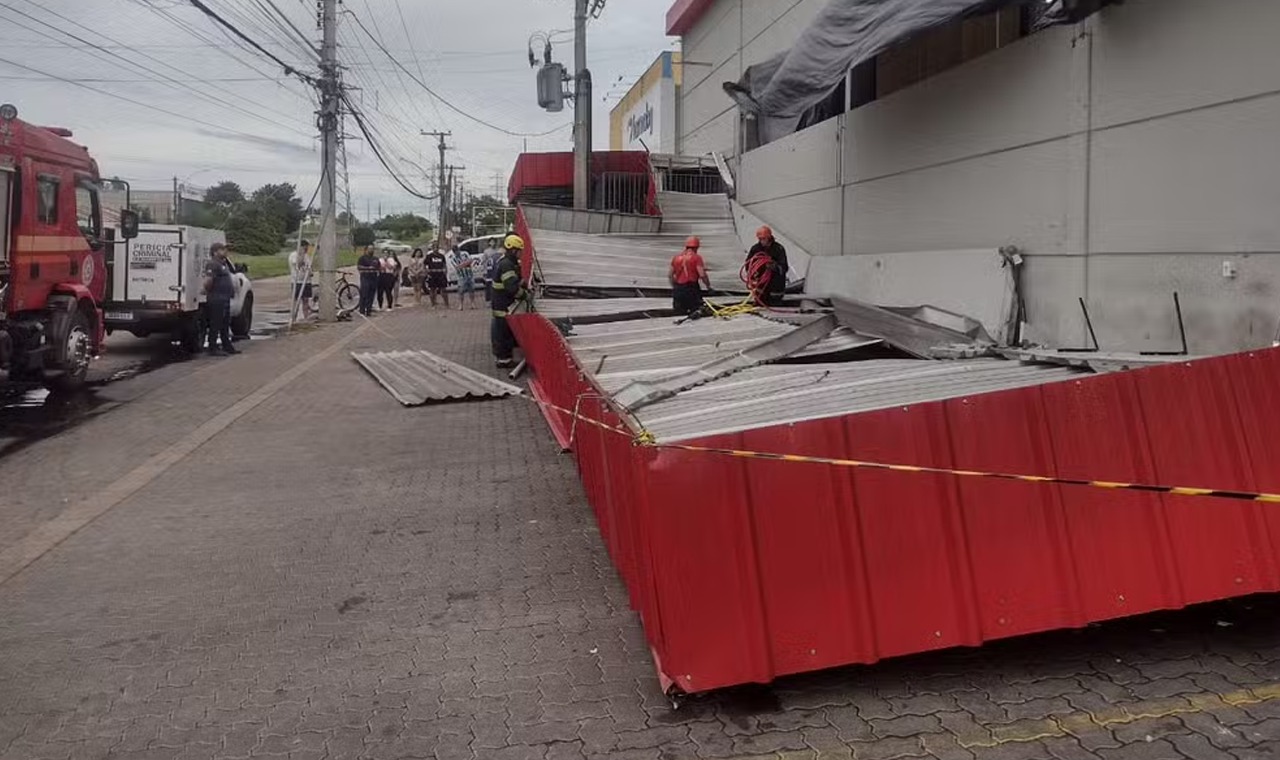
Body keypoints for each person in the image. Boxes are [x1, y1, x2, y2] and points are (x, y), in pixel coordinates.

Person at [490, 234, 527, 368]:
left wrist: (522, 283)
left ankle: (505, 357)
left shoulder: (509, 262)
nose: (520, 253)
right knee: (502, 332)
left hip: (503, 302)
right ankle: (503, 360)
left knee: (504, 331)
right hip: (502, 304)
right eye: (519, 251)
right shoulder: (506, 264)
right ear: (512, 250)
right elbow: (511, 288)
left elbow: (515, 281)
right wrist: (524, 294)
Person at [202, 243, 238, 356]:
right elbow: (208, 280)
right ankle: (212, 348)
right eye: (222, 249)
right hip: (216, 298)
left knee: (225, 324)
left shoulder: (223, 264)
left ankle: (227, 345)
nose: (225, 251)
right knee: (216, 323)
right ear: (215, 252)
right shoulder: (212, 264)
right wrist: (206, 289)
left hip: (224, 298)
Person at [746, 225, 789, 306]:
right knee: (759, 304)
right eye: (760, 239)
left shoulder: (778, 249)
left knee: (775, 305)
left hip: (775, 289)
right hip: (761, 289)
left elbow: (784, 268)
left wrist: (775, 266)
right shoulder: (755, 249)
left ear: (769, 237)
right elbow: (748, 265)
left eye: (764, 239)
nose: (762, 241)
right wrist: (753, 276)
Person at [669, 235, 710, 316]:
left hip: (678, 289)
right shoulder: (696, 258)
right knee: (695, 312)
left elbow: (670, 275)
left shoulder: (676, 257)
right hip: (691, 289)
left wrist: (674, 287)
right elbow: (702, 275)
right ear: (697, 247)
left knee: (679, 313)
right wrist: (708, 286)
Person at [289, 239, 314, 320]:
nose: (306, 250)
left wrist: (310, 272)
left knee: (306, 300)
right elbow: (298, 264)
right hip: (297, 282)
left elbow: (309, 267)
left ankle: (306, 318)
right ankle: (293, 318)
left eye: (307, 248)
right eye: (305, 248)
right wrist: (302, 255)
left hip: (306, 281)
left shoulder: (307, 256)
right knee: (296, 301)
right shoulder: (293, 255)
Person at [451, 244, 477, 310]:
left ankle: (472, 303)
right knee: (461, 291)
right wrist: (465, 263)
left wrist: (463, 264)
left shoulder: (465, 253)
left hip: (469, 274)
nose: (456, 252)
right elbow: (457, 267)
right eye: (455, 251)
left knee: (471, 289)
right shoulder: (453, 258)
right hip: (461, 276)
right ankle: (461, 304)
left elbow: (470, 260)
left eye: (457, 250)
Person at [356, 245, 379, 316]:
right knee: (364, 294)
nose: (371, 250)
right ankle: (362, 310)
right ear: (366, 250)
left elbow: (379, 266)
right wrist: (368, 268)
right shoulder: (362, 258)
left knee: (371, 295)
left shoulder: (375, 258)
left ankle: (369, 311)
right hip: (365, 277)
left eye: (372, 249)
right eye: (370, 249)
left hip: (373, 278)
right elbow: (359, 266)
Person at [482, 237, 501, 302]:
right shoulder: (486, 251)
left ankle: (496, 298)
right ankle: (488, 299)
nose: (493, 243)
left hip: (496, 270)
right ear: (489, 243)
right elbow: (484, 262)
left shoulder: (498, 251)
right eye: (491, 242)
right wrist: (484, 271)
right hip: (489, 270)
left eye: (494, 242)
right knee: (488, 285)